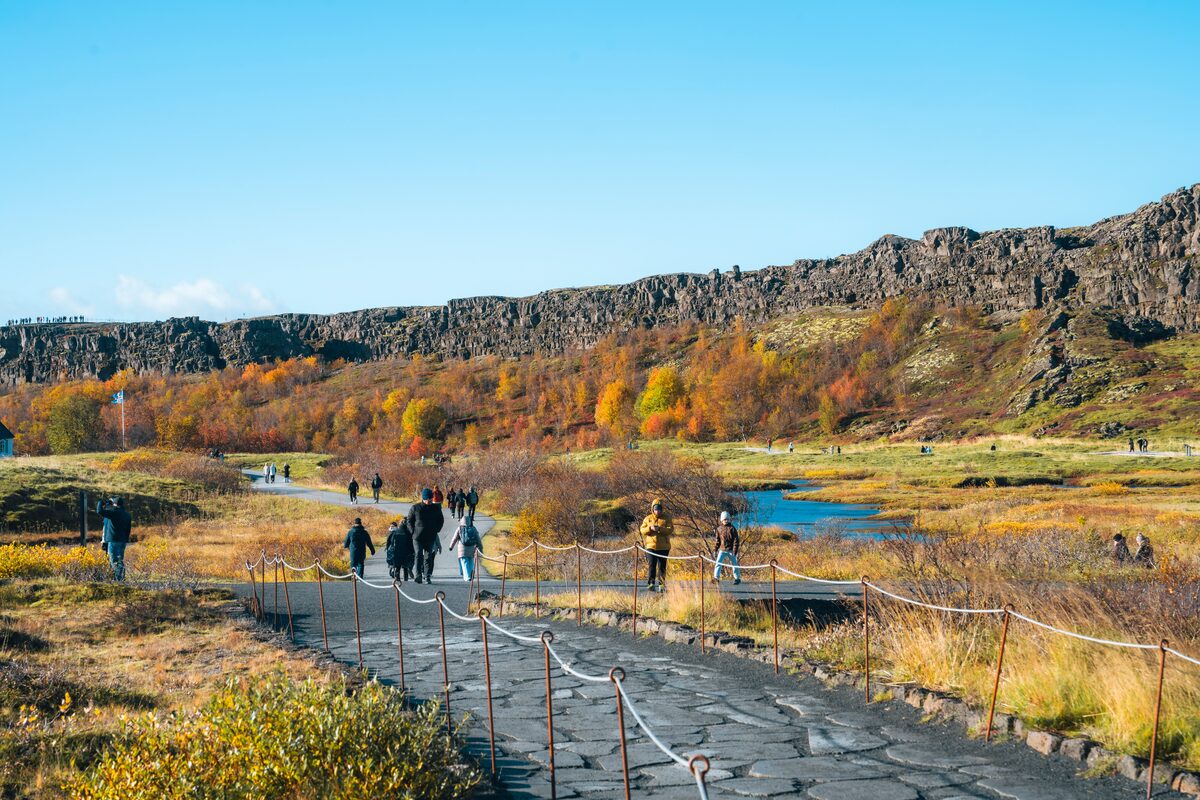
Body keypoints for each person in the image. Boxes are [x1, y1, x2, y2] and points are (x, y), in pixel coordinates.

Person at [407, 488, 445, 584]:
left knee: (428, 557)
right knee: (418, 555)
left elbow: (441, 520)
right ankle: (418, 575)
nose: (430, 501)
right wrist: (412, 532)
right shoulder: (415, 508)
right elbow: (409, 521)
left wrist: (436, 530)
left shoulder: (436, 508)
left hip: (430, 536)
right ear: (423, 498)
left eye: (431, 499)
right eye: (428, 499)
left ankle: (427, 576)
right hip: (417, 537)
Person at [639, 498, 674, 592]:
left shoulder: (667, 518)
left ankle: (661, 585)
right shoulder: (648, 518)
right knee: (652, 565)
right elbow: (642, 530)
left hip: (664, 547)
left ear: (662, 509)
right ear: (652, 509)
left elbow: (670, 530)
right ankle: (651, 583)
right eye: (656, 509)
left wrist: (659, 529)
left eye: (659, 509)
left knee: (662, 566)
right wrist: (650, 528)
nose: (657, 511)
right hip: (651, 547)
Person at [96, 497, 132, 581]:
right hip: (122, 541)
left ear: (115, 504)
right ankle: (121, 578)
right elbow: (128, 530)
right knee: (120, 560)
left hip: (113, 540)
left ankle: (118, 580)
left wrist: (100, 502)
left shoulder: (114, 513)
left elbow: (99, 511)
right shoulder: (127, 515)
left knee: (114, 561)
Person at [448, 516, 483, 582]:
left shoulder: (459, 528)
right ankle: (471, 573)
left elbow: (454, 538)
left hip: (462, 549)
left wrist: (451, 547)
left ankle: (467, 577)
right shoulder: (473, 528)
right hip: (472, 549)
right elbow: (478, 539)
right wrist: (481, 548)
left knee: (464, 563)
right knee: (471, 561)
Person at [712, 511, 741, 584]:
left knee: (734, 564)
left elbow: (736, 540)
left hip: (731, 550)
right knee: (718, 563)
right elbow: (717, 541)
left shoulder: (732, 528)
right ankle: (716, 578)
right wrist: (715, 550)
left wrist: (735, 551)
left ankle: (737, 578)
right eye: (724, 519)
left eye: (727, 519)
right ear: (722, 520)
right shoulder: (719, 529)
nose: (726, 521)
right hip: (722, 550)